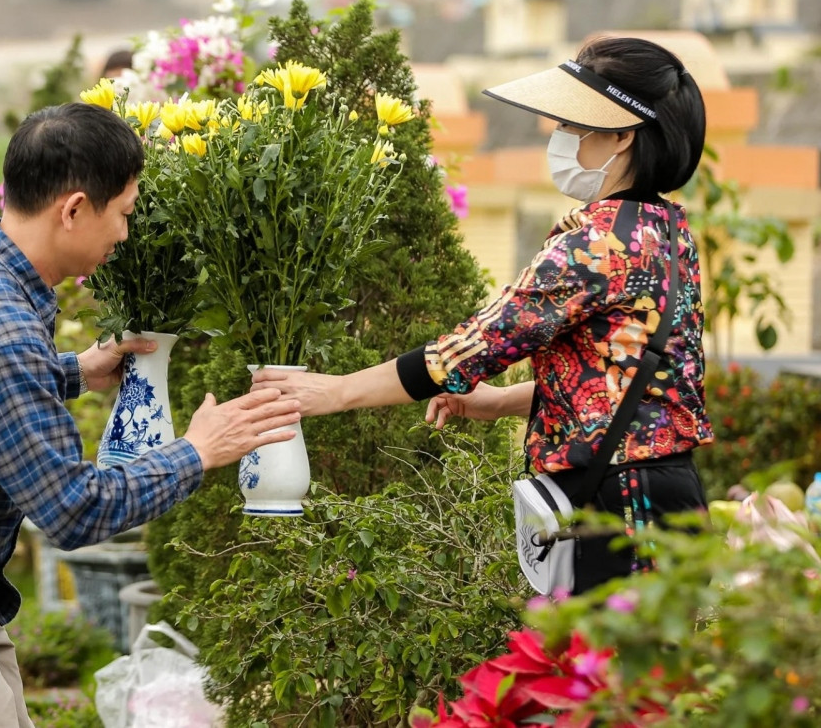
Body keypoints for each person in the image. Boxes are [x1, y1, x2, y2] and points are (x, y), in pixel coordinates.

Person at [0, 101, 302, 728]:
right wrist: (198, 451)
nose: (125, 235)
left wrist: (74, 370)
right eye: (124, 214)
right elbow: (72, 510)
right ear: (73, 209)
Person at [252, 36, 713, 596]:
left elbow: (467, 351)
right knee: (647, 654)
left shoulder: (595, 244)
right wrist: (499, 403)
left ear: (622, 134)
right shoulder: (667, 233)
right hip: (670, 498)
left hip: (620, 510)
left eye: (572, 123)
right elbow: (630, 377)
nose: (559, 135)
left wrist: (338, 391)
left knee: (609, 653)